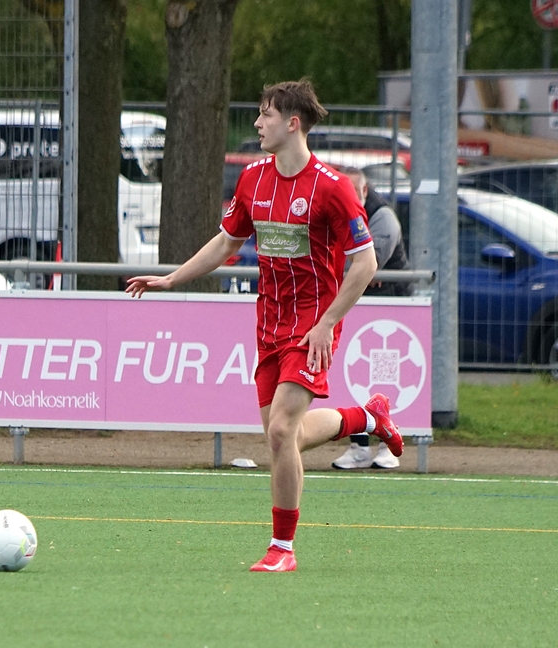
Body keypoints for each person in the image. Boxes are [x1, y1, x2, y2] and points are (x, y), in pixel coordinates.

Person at [125, 79, 403, 573]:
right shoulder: (253, 180)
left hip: (313, 324)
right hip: (268, 323)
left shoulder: (333, 188)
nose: (257, 123)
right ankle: (366, 418)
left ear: (292, 123)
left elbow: (365, 263)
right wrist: (171, 278)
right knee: (286, 439)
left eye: (265, 114)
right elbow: (226, 243)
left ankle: (282, 549)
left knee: (279, 433)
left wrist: (328, 322)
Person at [331, 167, 413, 471]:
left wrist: (361, 271)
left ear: (365, 192)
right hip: (354, 304)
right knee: (350, 376)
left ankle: (386, 446)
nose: (346, 198)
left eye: (352, 192)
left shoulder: (383, 219)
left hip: (390, 309)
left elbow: (367, 264)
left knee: (385, 376)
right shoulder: (339, 212)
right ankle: (358, 446)